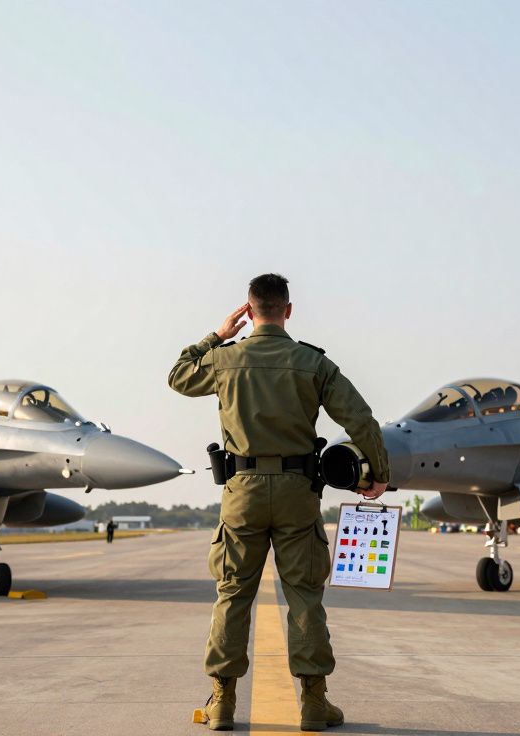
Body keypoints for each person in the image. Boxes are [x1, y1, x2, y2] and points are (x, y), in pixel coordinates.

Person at [169, 273, 390, 732]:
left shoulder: (225, 359)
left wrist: (217, 335)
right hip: (297, 493)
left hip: (242, 492)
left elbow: (178, 377)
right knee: (305, 597)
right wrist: (379, 473)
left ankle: (222, 704)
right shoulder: (312, 363)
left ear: (249, 312)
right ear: (288, 310)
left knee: (232, 595)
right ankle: (313, 704)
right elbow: (361, 417)